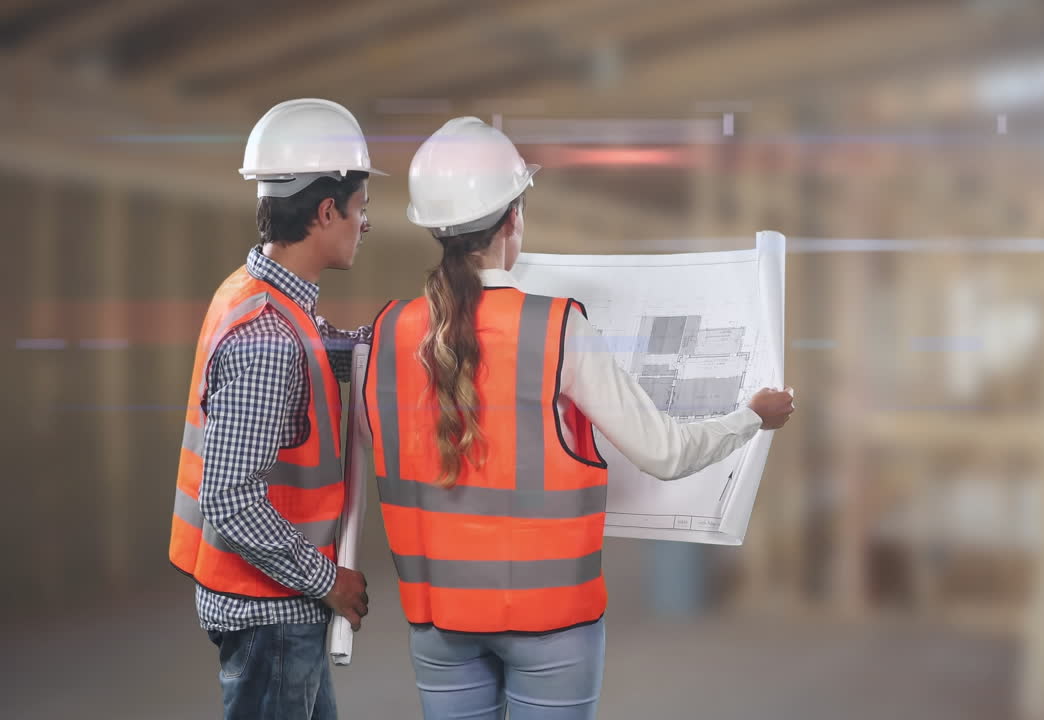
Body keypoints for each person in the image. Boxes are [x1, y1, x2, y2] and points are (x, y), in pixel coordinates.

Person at [364, 116, 795, 720]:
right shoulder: (558, 328)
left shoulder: (387, 334)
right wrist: (750, 417)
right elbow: (665, 452)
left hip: (439, 622)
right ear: (513, 218)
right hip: (551, 628)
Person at [168, 98, 386, 720]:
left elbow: (305, 365)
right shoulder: (267, 338)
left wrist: (366, 350)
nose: (363, 224)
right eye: (360, 210)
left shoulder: (256, 294)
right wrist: (329, 581)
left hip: (272, 607)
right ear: (325, 211)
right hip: (271, 610)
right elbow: (232, 499)